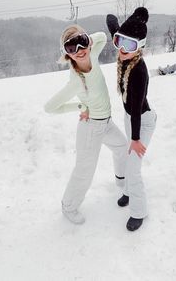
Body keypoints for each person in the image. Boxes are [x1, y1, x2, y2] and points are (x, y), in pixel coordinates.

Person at [44, 24, 128, 225]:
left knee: (122, 147)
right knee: (85, 170)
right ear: (67, 54)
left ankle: (121, 179)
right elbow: (50, 107)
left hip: (106, 122)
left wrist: (87, 39)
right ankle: (69, 206)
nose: (79, 51)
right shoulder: (75, 81)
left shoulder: (93, 54)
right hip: (91, 128)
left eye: (81, 43)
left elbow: (100, 37)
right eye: (71, 47)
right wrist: (81, 105)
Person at [106, 7, 157, 231]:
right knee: (129, 157)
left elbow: (136, 109)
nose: (123, 50)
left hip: (142, 120)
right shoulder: (125, 50)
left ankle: (139, 211)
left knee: (134, 166)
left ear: (140, 47)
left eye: (131, 45)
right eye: (120, 42)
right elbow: (115, 28)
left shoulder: (139, 72)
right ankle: (127, 190)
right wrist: (113, 26)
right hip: (130, 118)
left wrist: (136, 139)